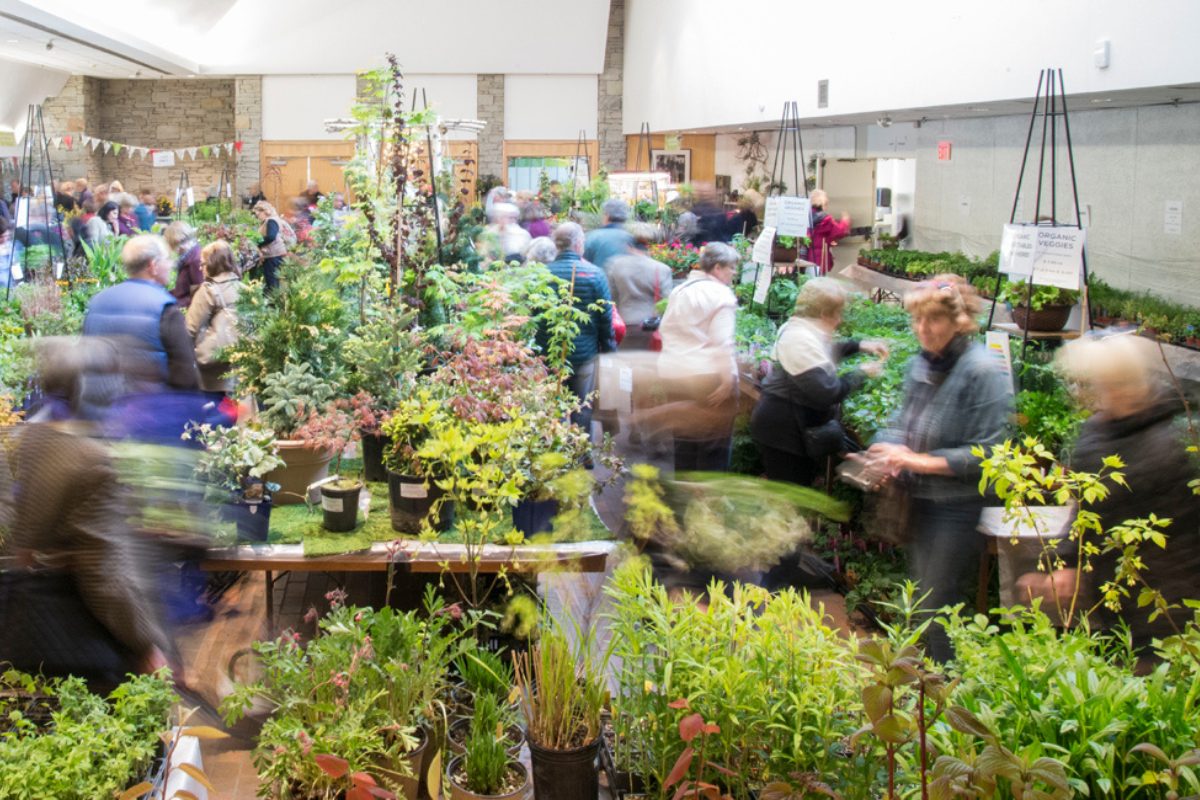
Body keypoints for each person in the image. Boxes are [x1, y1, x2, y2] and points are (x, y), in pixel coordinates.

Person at [1017, 334, 1200, 663]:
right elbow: (1085, 510)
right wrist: (1065, 565)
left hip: (1160, 604)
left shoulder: (1161, 449)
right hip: (1111, 598)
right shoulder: (1098, 430)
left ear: (1126, 385)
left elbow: (1177, 542)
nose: (1091, 395)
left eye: (1101, 384)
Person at [0, 338, 170, 692]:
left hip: (27, 631)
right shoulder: (92, 461)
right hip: (82, 645)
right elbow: (104, 576)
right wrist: (146, 643)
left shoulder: (31, 441)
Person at [855, 275, 1010, 662]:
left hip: (956, 504)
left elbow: (989, 454)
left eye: (934, 320)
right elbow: (902, 420)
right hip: (919, 496)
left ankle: (949, 690)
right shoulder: (923, 364)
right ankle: (929, 684)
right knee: (922, 596)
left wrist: (916, 460)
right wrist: (885, 444)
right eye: (917, 321)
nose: (923, 330)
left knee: (939, 601)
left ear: (960, 321)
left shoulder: (982, 371)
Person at [751, 278, 887, 486]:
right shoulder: (798, 338)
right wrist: (860, 373)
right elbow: (827, 392)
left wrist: (859, 345)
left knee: (795, 493)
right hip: (784, 432)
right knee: (792, 496)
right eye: (838, 313)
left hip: (789, 427)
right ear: (824, 314)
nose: (840, 320)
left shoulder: (802, 330)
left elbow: (822, 353)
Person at [654, 242, 741, 471]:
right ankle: (707, 502)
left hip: (673, 373)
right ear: (718, 268)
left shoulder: (681, 290)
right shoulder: (720, 295)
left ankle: (684, 495)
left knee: (684, 440)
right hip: (706, 378)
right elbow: (722, 344)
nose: (734, 273)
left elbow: (666, 329)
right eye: (732, 268)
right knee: (714, 446)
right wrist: (727, 380)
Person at [82, 234, 199, 391]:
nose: (171, 265)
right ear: (153, 266)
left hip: (100, 406)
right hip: (148, 407)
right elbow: (185, 374)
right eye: (167, 259)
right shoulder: (165, 307)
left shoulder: (96, 302)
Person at [542, 222, 616, 450]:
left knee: (551, 403)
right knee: (582, 404)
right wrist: (610, 349)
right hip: (585, 354)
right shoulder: (595, 274)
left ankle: (552, 452)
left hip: (549, 353)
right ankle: (582, 453)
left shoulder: (543, 274)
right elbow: (605, 318)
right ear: (578, 244)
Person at [185, 240, 242, 395]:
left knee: (214, 409)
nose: (200, 268)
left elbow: (190, 328)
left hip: (215, 366)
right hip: (240, 361)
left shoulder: (208, 291)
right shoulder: (242, 287)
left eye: (203, 264)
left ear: (212, 263)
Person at [607, 223, 674, 352]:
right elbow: (665, 302)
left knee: (626, 365)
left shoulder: (615, 265)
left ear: (629, 244)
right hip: (650, 326)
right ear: (648, 246)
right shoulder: (661, 269)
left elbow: (611, 296)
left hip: (623, 324)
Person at [584, 198, 634, 273]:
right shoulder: (633, 240)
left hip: (597, 283)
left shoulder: (591, 237)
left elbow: (581, 265)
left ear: (606, 216)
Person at [809, 189, 851, 275]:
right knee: (818, 284)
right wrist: (845, 221)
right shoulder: (826, 219)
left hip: (805, 258)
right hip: (819, 259)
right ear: (823, 203)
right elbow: (839, 232)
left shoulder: (806, 216)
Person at [253, 200, 290, 292]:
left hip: (273, 255)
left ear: (264, 211)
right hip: (274, 255)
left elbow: (271, 237)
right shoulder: (272, 220)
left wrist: (257, 243)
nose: (257, 217)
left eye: (258, 214)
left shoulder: (271, 221)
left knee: (272, 282)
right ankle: (274, 302)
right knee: (274, 280)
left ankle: (273, 304)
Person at [164, 221, 203, 309]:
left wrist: (172, 303)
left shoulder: (196, 261)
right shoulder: (188, 256)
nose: (175, 250)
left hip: (185, 309)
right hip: (180, 304)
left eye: (174, 245)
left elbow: (199, 296)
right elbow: (182, 290)